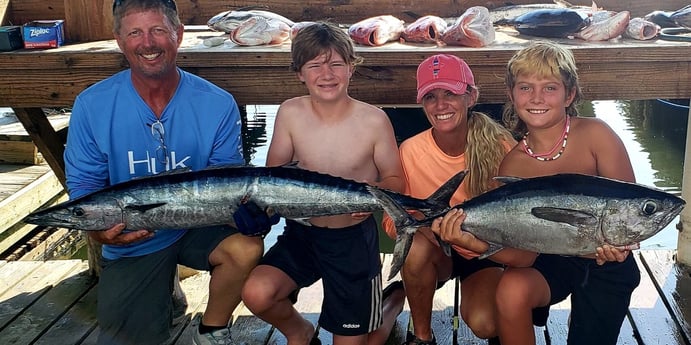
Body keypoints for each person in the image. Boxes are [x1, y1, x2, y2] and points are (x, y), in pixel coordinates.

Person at [64, 1, 276, 344]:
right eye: (135, 32)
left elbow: (226, 178)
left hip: (197, 226)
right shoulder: (92, 105)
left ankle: (212, 329)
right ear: (119, 40)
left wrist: (244, 212)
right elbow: (85, 185)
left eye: (158, 30)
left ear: (178, 35)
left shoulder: (217, 103)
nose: (148, 43)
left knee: (246, 246)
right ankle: (164, 295)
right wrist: (98, 233)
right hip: (136, 236)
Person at [431, 41, 641, 345]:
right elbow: (521, 256)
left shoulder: (598, 135)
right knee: (511, 289)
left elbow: (629, 207)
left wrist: (618, 247)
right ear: (511, 94)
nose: (537, 98)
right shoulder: (514, 163)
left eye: (550, 88)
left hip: (609, 261)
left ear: (569, 94)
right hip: (552, 256)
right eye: (526, 88)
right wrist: (467, 240)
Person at [240, 21, 406, 345]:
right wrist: (260, 210)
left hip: (353, 241)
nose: (326, 73)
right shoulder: (289, 113)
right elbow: (274, 177)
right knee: (257, 292)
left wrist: (374, 198)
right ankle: (299, 331)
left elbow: (395, 179)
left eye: (335, 64)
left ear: (351, 69)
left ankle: (390, 305)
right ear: (300, 73)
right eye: (314, 65)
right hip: (303, 234)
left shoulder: (374, 119)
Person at [380, 53, 516, 345]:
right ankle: (422, 336)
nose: (440, 105)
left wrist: (471, 241)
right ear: (421, 103)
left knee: (486, 323)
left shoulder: (502, 145)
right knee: (413, 247)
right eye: (430, 96)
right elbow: (391, 220)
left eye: (450, 93)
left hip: (484, 253)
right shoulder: (409, 151)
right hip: (436, 252)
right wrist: (428, 231)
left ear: (471, 96)